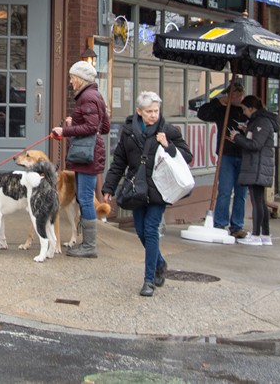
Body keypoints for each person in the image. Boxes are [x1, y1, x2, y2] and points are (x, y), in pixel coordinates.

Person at [102, 92, 192, 296]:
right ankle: (160, 262)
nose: (153, 115)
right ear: (139, 112)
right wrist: (109, 187)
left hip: (160, 188)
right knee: (141, 231)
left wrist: (168, 146)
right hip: (137, 187)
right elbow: (119, 162)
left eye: (156, 111)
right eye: (149, 111)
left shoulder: (168, 131)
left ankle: (148, 280)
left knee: (151, 230)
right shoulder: (128, 132)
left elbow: (187, 156)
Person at [51, 60, 110, 258]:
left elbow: (92, 127)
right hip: (90, 154)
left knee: (84, 198)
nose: (70, 82)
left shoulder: (87, 97)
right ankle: (87, 243)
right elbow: (104, 127)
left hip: (87, 156)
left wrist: (65, 130)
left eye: (72, 77)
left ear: (81, 79)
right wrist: (74, 122)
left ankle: (89, 245)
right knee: (84, 197)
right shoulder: (96, 96)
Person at [196, 81, 249, 238]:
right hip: (226, 154)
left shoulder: (246, 110)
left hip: (244, 155)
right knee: (225, 190)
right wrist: (220, 102)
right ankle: (220, 223)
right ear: (229, 95)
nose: (239, 97)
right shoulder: (222, 109)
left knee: (241, 193)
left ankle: (237, 226)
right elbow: (202, 113)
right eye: (235, 94)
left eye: (240, 94)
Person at [226, 94, 278, 246]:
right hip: (258, 165)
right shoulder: (257, 121)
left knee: (257, 201)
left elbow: (255, 144)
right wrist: (246, 130)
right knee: (260, 201)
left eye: (244, 109)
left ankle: (256, 235)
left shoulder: (262, 121)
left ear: (251, 108)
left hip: (258, 165)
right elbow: (255, 138)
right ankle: (265, 234)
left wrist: (236, 137)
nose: (243, 113)